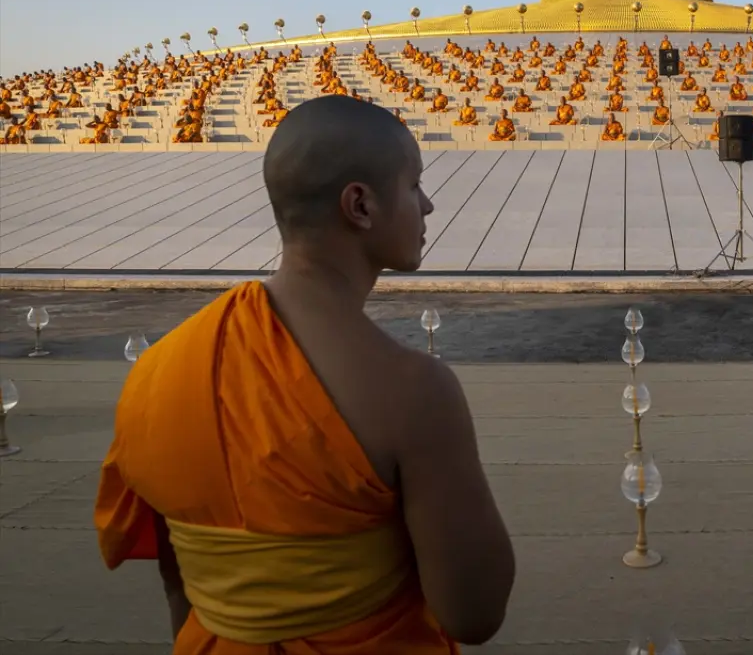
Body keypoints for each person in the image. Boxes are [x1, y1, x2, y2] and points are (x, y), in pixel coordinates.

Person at [94, 95, 516, 654]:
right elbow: (474, 612)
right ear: (360, 205)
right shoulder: (413, 391)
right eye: (414, 186)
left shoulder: (156, 372)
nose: (429, 206)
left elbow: (181, 587)